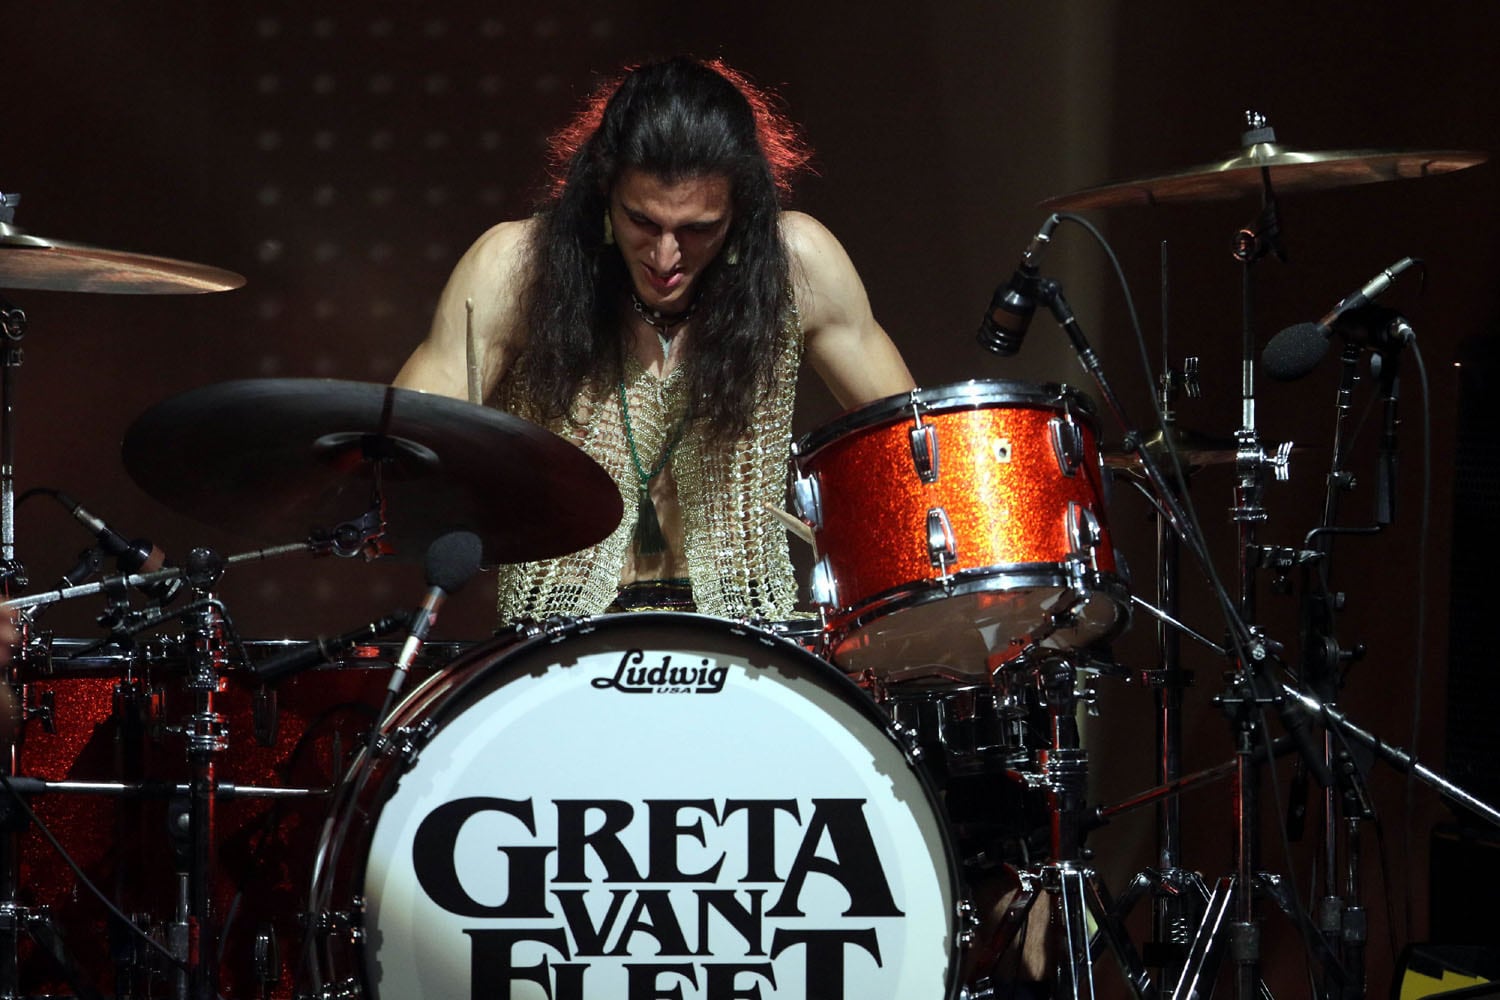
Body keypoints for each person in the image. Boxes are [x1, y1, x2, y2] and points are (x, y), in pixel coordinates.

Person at [395, 56, 913, 623]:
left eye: (697, 229)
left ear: (741, 206)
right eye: (642, 221)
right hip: (557, 639)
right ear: (604, 187)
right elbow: (394, 458)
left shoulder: (798, 264)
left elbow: (918, 455)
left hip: (747, 636)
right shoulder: (516, 268)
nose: (666, 258)